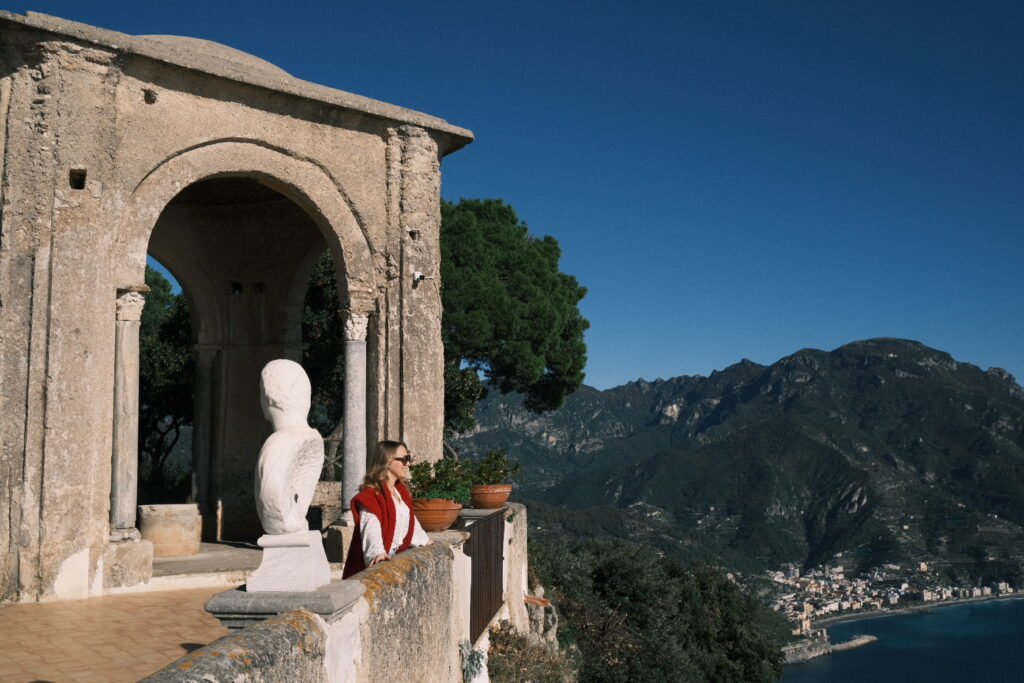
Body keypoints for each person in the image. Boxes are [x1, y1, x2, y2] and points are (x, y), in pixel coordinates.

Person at [342, 440, 431, 578]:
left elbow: (411, 524)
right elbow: (370, 527)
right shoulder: (371, 495)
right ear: (387, 461)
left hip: (394, 561)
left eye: (409, 459)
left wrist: (424, 540)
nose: (408, 464)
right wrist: (377, 553)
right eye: (404, 459)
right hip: (370, 568)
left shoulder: (401, 493)